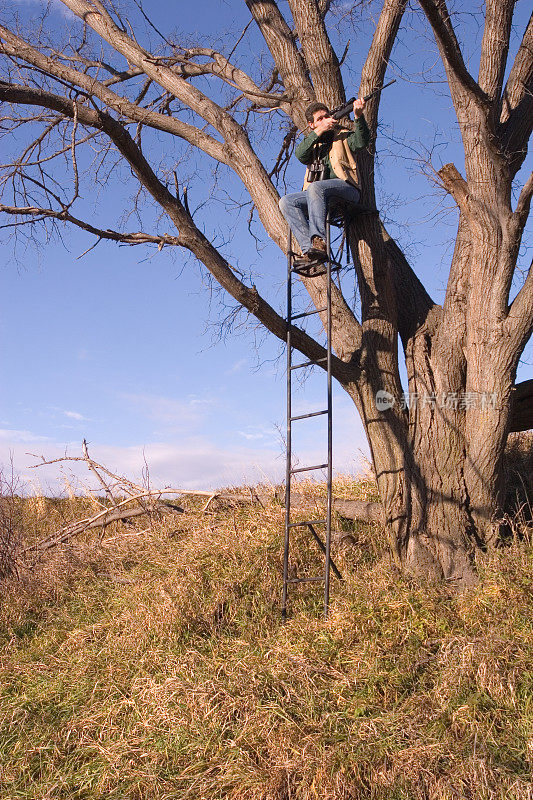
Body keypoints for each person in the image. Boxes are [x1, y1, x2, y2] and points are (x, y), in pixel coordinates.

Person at [279, 98, 370, 273]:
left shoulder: (343, 135)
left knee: (316, 187)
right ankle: (311, 253)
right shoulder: (313, 143)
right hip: (319, 197)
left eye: (326, 116)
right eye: (319, 119)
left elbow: (362, 141)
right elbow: (300, 154)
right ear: (311, 125)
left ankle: (319, 242)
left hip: (347, 190)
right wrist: (319, 132)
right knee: (286, 201)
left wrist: (358, 116)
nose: (325, 120)